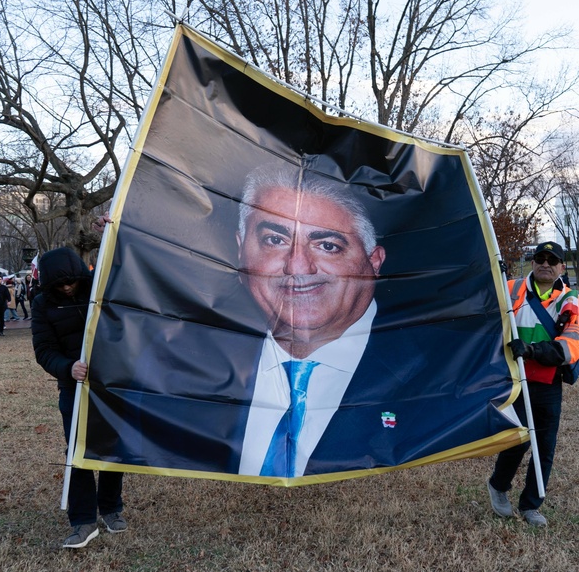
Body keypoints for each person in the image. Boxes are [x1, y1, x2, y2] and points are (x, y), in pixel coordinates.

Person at [93, 168, 518, 479]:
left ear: (373, 263)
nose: (297, 267)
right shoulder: (176, 363)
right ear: (242, 251)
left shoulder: (447, 373)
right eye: (275, 240)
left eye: (328, 245)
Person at [32, 247, 126, 549]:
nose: (67, 288)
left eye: (71, 282)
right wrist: (68, 367)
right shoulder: (42, 305)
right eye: (59, 285)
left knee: (112, 447)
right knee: (78, 451)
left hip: (110, 382)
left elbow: (123, 264)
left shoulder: (99, 287)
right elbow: (44, 350)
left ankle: (111, 507)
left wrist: (108, 232)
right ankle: (83, 520)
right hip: (73, 386)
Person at [487, 241, 579, 527]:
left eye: (552, 260)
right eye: (540, 258)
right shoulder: (512, 288)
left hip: (548, 382)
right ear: (532, 262)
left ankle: (531, 505)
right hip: (515, 381)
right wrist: (490, 273)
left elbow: (570, 348)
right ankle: (498, 486)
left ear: (561, 267)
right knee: (517, 440)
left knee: (544, 446)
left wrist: (531, 350)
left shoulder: (571, 299)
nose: (545, 264)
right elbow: (485, 304)